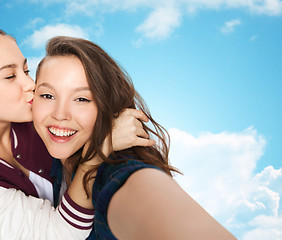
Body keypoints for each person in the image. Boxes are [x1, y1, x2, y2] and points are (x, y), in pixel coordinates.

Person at [0, 25, 152, 239]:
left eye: (26, 71)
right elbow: (60, 234)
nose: (30, 85)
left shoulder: (34, 114)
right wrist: (99, 151)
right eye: (9, 76)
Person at [33, 36, 237, 239]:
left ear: (107, 105)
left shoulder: (119, 172)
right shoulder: (43, 159)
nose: (60, 114)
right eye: (47, 96)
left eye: (82, 99)